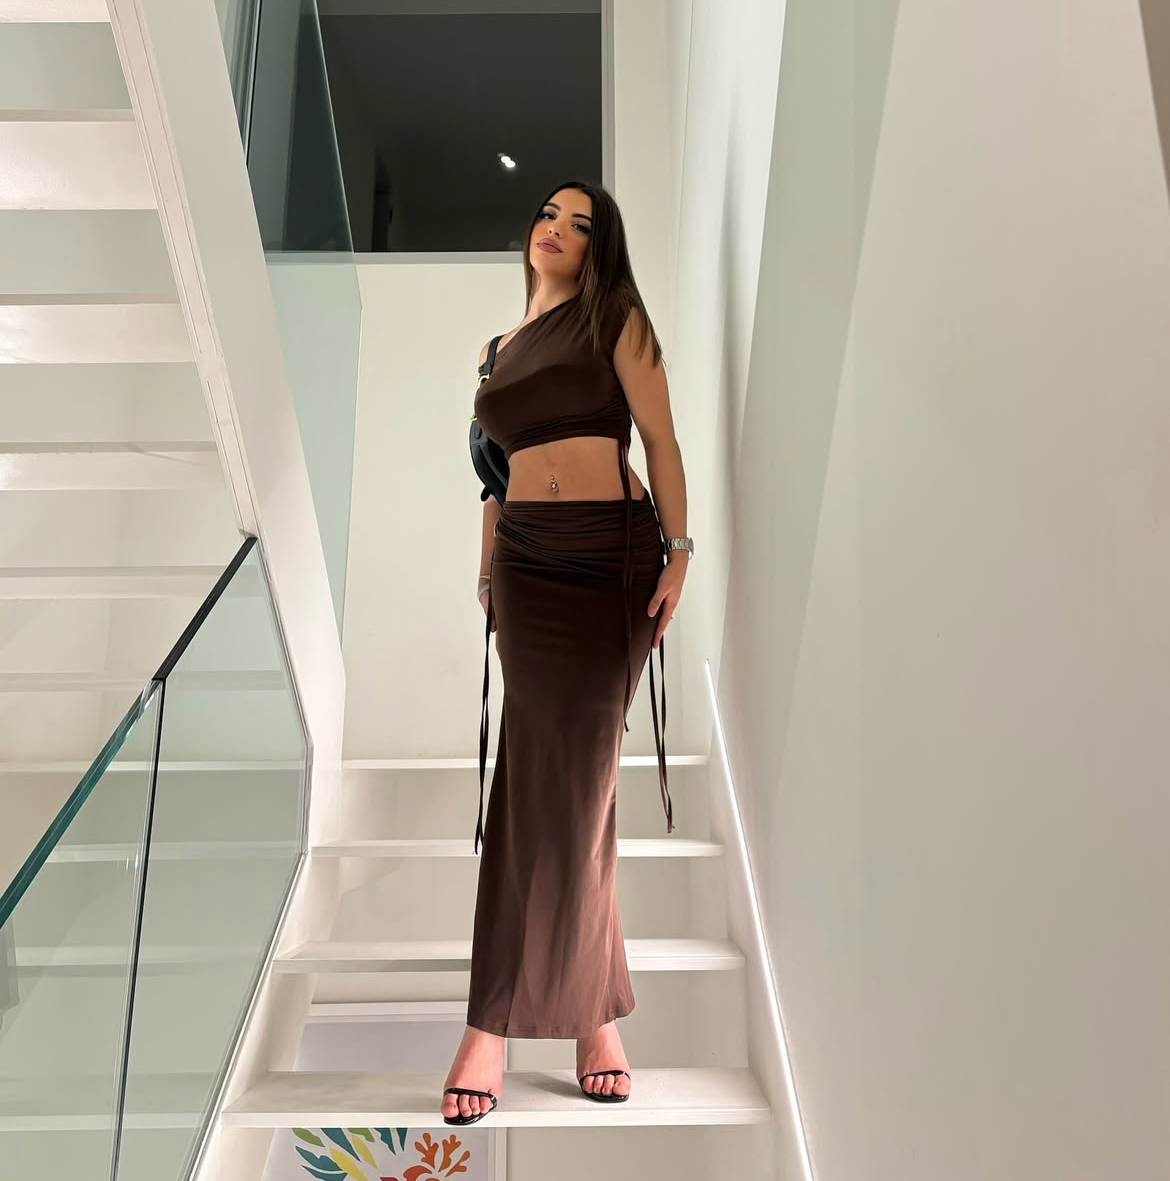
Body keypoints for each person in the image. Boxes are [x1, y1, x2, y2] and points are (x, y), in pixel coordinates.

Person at [441, 181, 693, 1126]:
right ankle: (569, 1015)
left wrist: (681, 550)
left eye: (581, 225)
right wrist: (485, 577)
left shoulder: (613, 317)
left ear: (598, 250)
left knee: (582, 787)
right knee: (539, 779)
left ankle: (516, 1022)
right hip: (526, 568)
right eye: (550, 214)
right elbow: (492, 480)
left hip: (610, 561)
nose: (557, 228)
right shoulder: (496, 352)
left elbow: (660, 437)